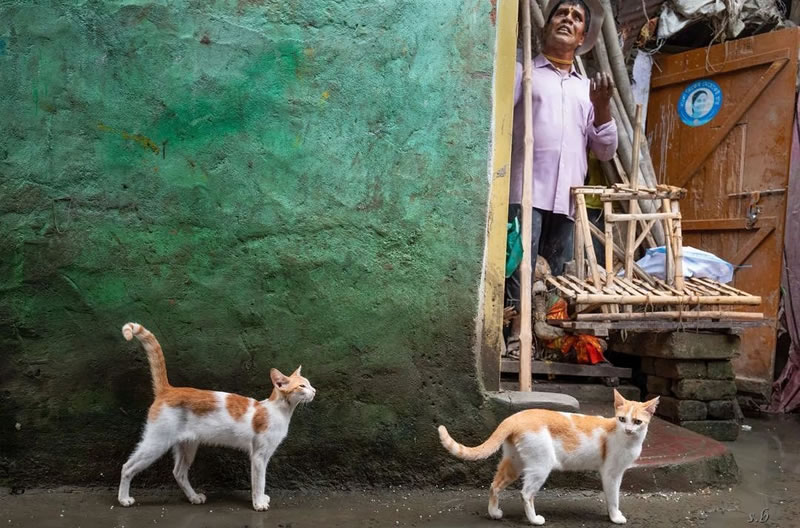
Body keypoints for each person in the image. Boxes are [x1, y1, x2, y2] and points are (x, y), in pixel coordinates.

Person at [505, 0, 617, 355]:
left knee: (553, 277)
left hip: (567, 199)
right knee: (518, 270)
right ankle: (513, 339)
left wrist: (602, 108)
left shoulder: (587, 90)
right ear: (546, 25)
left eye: (577, 17)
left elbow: (606, 151)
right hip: (525, 192)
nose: (568, 19)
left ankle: (544, 343)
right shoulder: (525, 73)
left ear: (583, 36)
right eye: (561, 13)